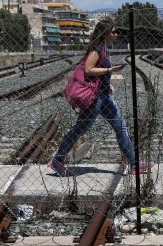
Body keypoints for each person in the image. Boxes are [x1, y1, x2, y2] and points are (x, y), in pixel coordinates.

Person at [49, 20, 150, 176]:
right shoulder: (96, 49)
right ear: (105, 33)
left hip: (104, 97)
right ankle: (58, 160)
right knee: (80, 129)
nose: (116, 34)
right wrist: (110, 69)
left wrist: (106, 83)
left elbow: (97, 72)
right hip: (95, 100)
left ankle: (135, 163)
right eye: (113, 32)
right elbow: (89, 70)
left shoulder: (104, 47)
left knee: (120, 127)